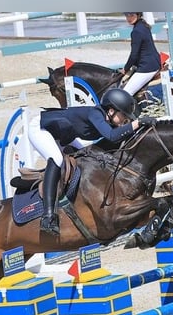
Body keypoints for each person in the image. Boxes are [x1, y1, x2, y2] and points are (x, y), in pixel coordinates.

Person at [27, 88, 157, 236]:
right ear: (111, 110)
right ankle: (48, 215)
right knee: (56, 159)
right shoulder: (95, 113)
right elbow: (112, 136)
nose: (125, 121)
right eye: (124, 116)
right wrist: (137, 123)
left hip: (63, 132)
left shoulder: (107, 118)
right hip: (40, 128)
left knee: (91, 155)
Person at [120, 12, 162, 97]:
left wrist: (125, 68)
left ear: (138, 15)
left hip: (147, 67)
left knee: (125, 94)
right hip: (155, 62)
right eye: (127, 15)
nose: (129, 18)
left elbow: (134, 55)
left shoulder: (136, 31)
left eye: (132, 15)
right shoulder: (143, 26)